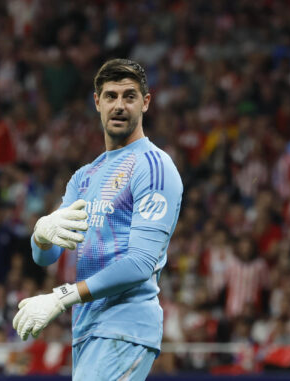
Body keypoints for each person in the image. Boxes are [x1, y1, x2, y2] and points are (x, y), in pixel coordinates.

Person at [12, 59, 183, 380]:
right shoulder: (84, 176)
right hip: (88, 328)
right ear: (97, 102)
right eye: (111, 96)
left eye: (129, 96)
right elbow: (45, 257)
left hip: (124, 326)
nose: (119, 105)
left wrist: (62, 297)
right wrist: (41, 233)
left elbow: (141, 263)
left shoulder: (154, 165)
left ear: (146, 103)